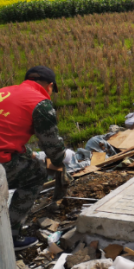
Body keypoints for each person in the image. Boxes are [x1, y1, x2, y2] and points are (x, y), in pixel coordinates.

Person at [0, 66, 66, 251]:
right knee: (36, 173)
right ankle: (10, 236)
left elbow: (6, 134)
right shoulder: (40, 102)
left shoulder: (5, 92)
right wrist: (63, 157)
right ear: (50, 85)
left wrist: (31, 154)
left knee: (28, 162)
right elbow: (53, 148)